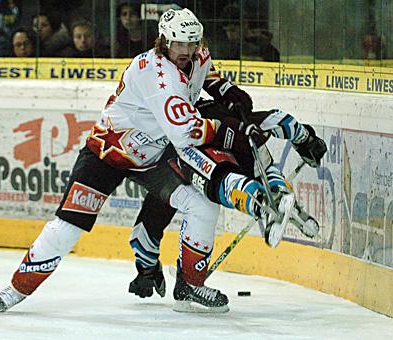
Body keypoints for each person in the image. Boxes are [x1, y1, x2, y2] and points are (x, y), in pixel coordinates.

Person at [0, 8, 253, 314]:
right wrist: (224, 127)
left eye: (193, 43)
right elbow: (185, 134)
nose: (187, 51)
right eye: (180, 44)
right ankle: (16, 289)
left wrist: (227, 91)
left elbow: (205, 72)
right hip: (107, 155)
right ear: (164, 41)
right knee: (67, 228)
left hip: (152, 159)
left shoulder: (196, 54)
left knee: (203, 205)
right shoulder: (156, 74)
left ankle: (190, 285)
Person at [128, 99, 327, 299]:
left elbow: (148, 224)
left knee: (223, 181)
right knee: (236, 175)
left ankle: (266, 200)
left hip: (218, 150)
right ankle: (270, 196)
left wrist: (146, 269)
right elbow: (280, 120)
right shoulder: (191, 136)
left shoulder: (179, 142)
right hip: (220, 149)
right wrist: (307, 140)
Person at [213, 3, 279, 62]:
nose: (229, 35)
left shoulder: (264, 47)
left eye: (233, 30)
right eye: (226, 31)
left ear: (245, 24)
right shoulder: (229, 49)